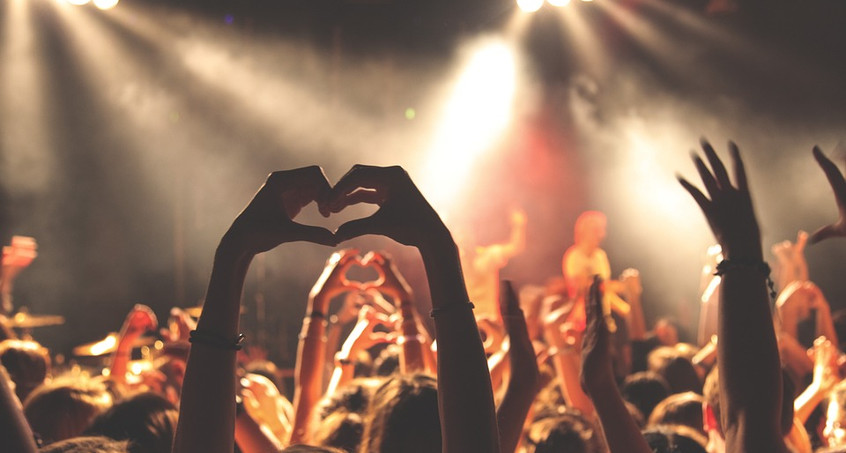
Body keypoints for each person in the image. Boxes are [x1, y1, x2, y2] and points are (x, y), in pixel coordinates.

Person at [172, 165, 499, 453]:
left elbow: (306, 403)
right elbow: (472, 431)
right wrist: (437, 244)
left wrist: (234, 252)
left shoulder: (309, 438)